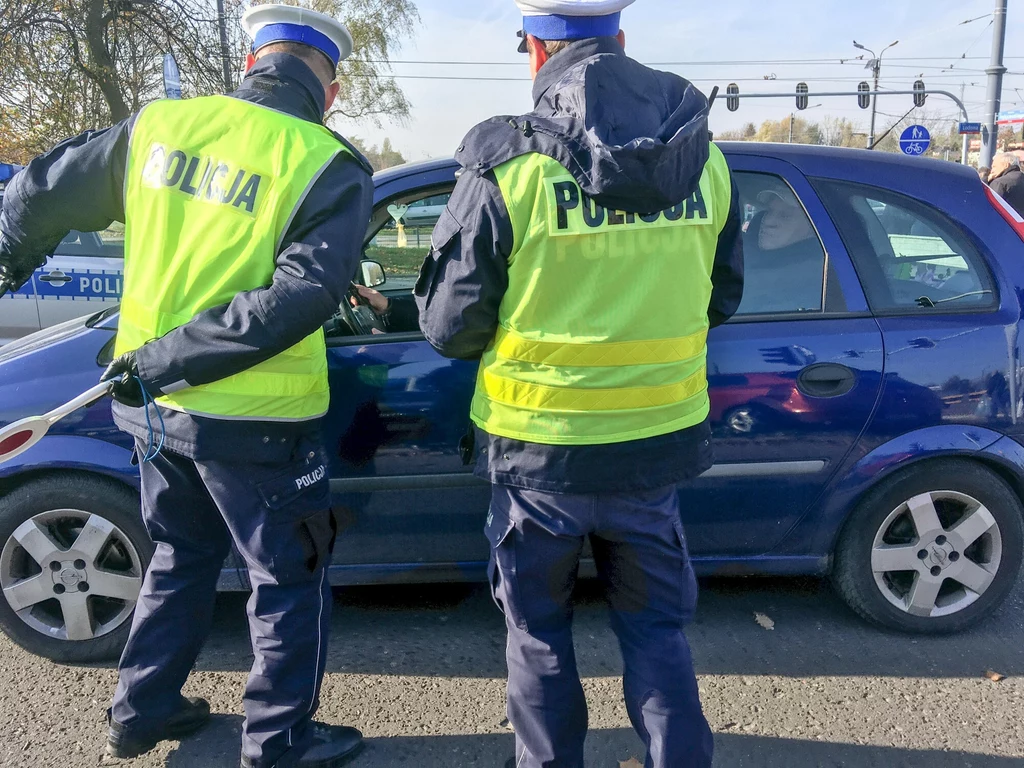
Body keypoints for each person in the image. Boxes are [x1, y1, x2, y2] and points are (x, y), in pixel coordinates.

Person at [0, 5, 374, 767]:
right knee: (288, 579)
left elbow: (36, 193)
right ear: (328, 90)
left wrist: (9, 262)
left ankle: (140, 712)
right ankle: (279, 740)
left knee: (179, 557)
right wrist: (173, 357)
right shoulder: (324, 160)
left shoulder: (159, 126)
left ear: (250, 65)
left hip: (153, 414)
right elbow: (300, 295)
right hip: (255, 421)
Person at [416, 2, 743, 766]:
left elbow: (449, 328)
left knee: (538, 638)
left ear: (536, 52)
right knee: (658, 635)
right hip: (652, 457)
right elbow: (721, 299)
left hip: (539, 462)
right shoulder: (706, 164)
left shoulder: (508, 168)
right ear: (622, 43)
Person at [738, 189, 824, 314]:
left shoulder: (812, 275)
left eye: (785, 216)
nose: (768, 221)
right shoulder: (743, 256)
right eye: (769, 211)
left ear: (813, 228)